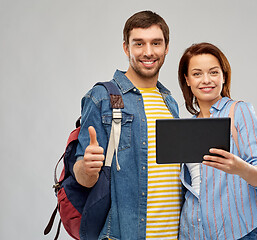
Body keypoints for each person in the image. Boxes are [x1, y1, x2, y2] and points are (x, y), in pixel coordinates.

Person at [73, 11, 182, 240]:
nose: (148, 51)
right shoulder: (102, 97)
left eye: (156, 43)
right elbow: (82, 175)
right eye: (139, 43)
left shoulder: (169, 102)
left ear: (167, 47)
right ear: (126, 48)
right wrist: (87, 166)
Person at [177, 42, 257, 240]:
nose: (206, 80)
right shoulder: (187, 127)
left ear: (223, 75)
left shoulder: (240, 111)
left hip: (238, 232)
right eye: (197, 74)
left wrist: (239, 168)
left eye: (213, 72)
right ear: (187, 80)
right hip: (192, 232)